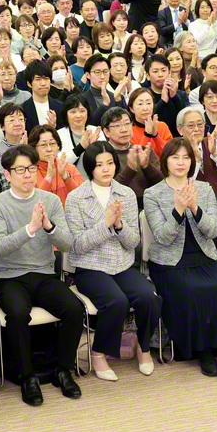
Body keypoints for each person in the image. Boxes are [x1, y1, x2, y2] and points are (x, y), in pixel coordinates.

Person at [0, 144, 85, 403]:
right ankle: (26, 376)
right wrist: (30, 229)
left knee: (74, 308)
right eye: (20, 170)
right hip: (10, 277)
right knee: (18, 314)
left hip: (43, 273)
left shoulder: (49, 200)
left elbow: (66, 244)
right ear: (7, 175)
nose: (28, 174)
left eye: (31, 168)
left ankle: (62, 370)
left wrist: (48, 226)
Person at [144, 139, 217, 381]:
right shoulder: (153, 193)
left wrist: (195, 207)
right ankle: (203, 350)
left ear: (193, 161)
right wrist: (178, 210)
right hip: (169, 261)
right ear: (165, 161)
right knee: (191, 289)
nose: (180, 163)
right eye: (175, 157)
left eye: (185, 158)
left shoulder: (205, 189)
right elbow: (162, 237)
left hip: (203, 256)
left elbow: (213, 231)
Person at [64, 142, 158, 381]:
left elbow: (133, 241)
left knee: (149, 297)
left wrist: (119, 225)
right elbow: (76, 245)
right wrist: (105, 225)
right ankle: (98, 353)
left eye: (110, 163)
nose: (106, 169)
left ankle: (143, 347)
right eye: (98, 165)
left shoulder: (125, 193)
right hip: (91, 267)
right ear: (89, 168)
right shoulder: (76, 197)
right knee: (116, 302)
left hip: (122, 264)